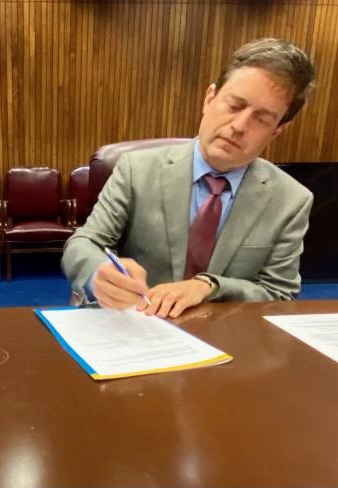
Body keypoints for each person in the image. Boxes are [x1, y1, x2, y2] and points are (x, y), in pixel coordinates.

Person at [62, 38, 316, 319]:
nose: (239, 126)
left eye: (262, 119)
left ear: (278, 129)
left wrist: (210, 287)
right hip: (137, 324)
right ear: (210, 98)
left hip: (226, 335)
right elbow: (83, 244)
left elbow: (279, 294)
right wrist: (98, 273)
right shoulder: (137, 169)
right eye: (235, 105)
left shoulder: (291, 200)